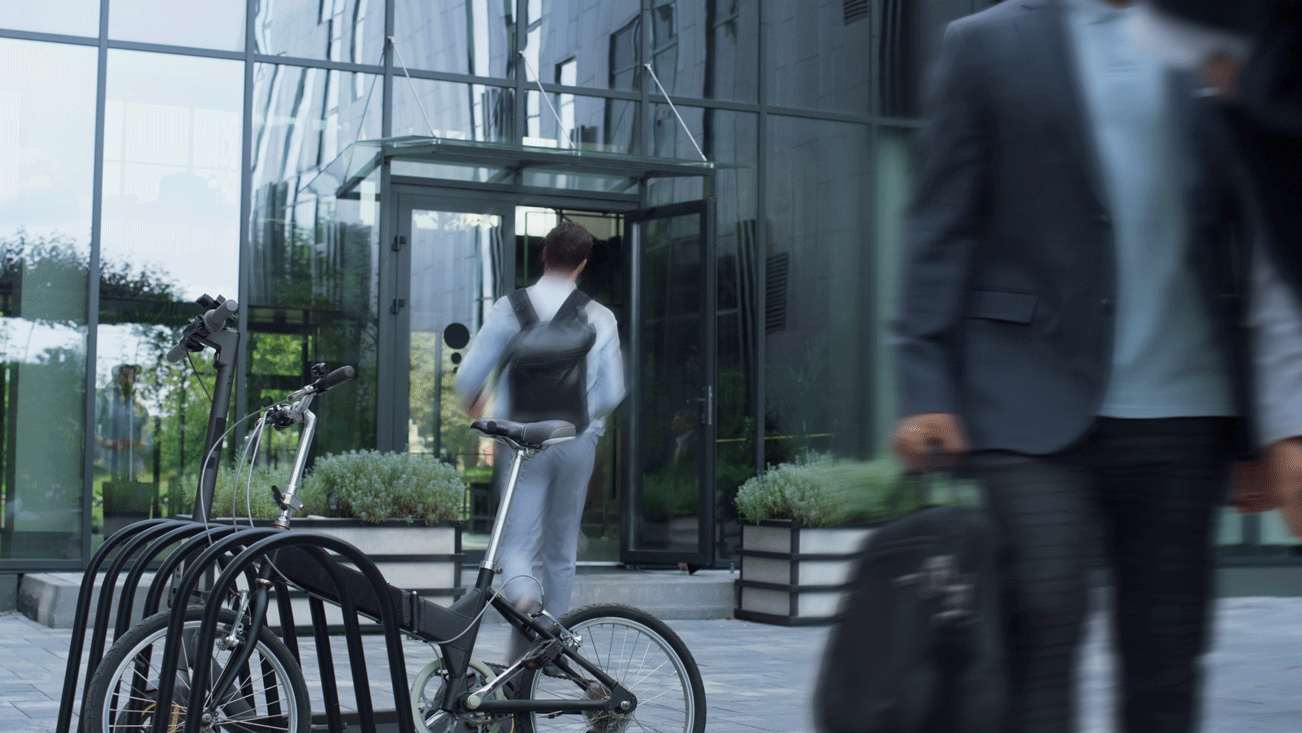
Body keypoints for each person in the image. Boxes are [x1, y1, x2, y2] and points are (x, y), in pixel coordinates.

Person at [891, 1, 1254, 731]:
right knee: (1043, 616)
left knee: (1168, 655)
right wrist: (925, 379)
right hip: (1025, 393)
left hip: (1188, 404)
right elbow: (940, 225)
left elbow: (1257, 226)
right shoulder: (986, 43)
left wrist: (1269, 425)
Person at [454, 221, 625, 650]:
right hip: (575, 441)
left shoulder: (510, 308)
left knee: (518, 541)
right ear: (583, 263)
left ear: (543, 254)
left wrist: (474, 401)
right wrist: (586, 425)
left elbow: (468, 377)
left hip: (521, 442)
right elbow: (612, 391)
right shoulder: (599, 317)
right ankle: (549, 643)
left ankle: (524, 596)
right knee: (562, 548)